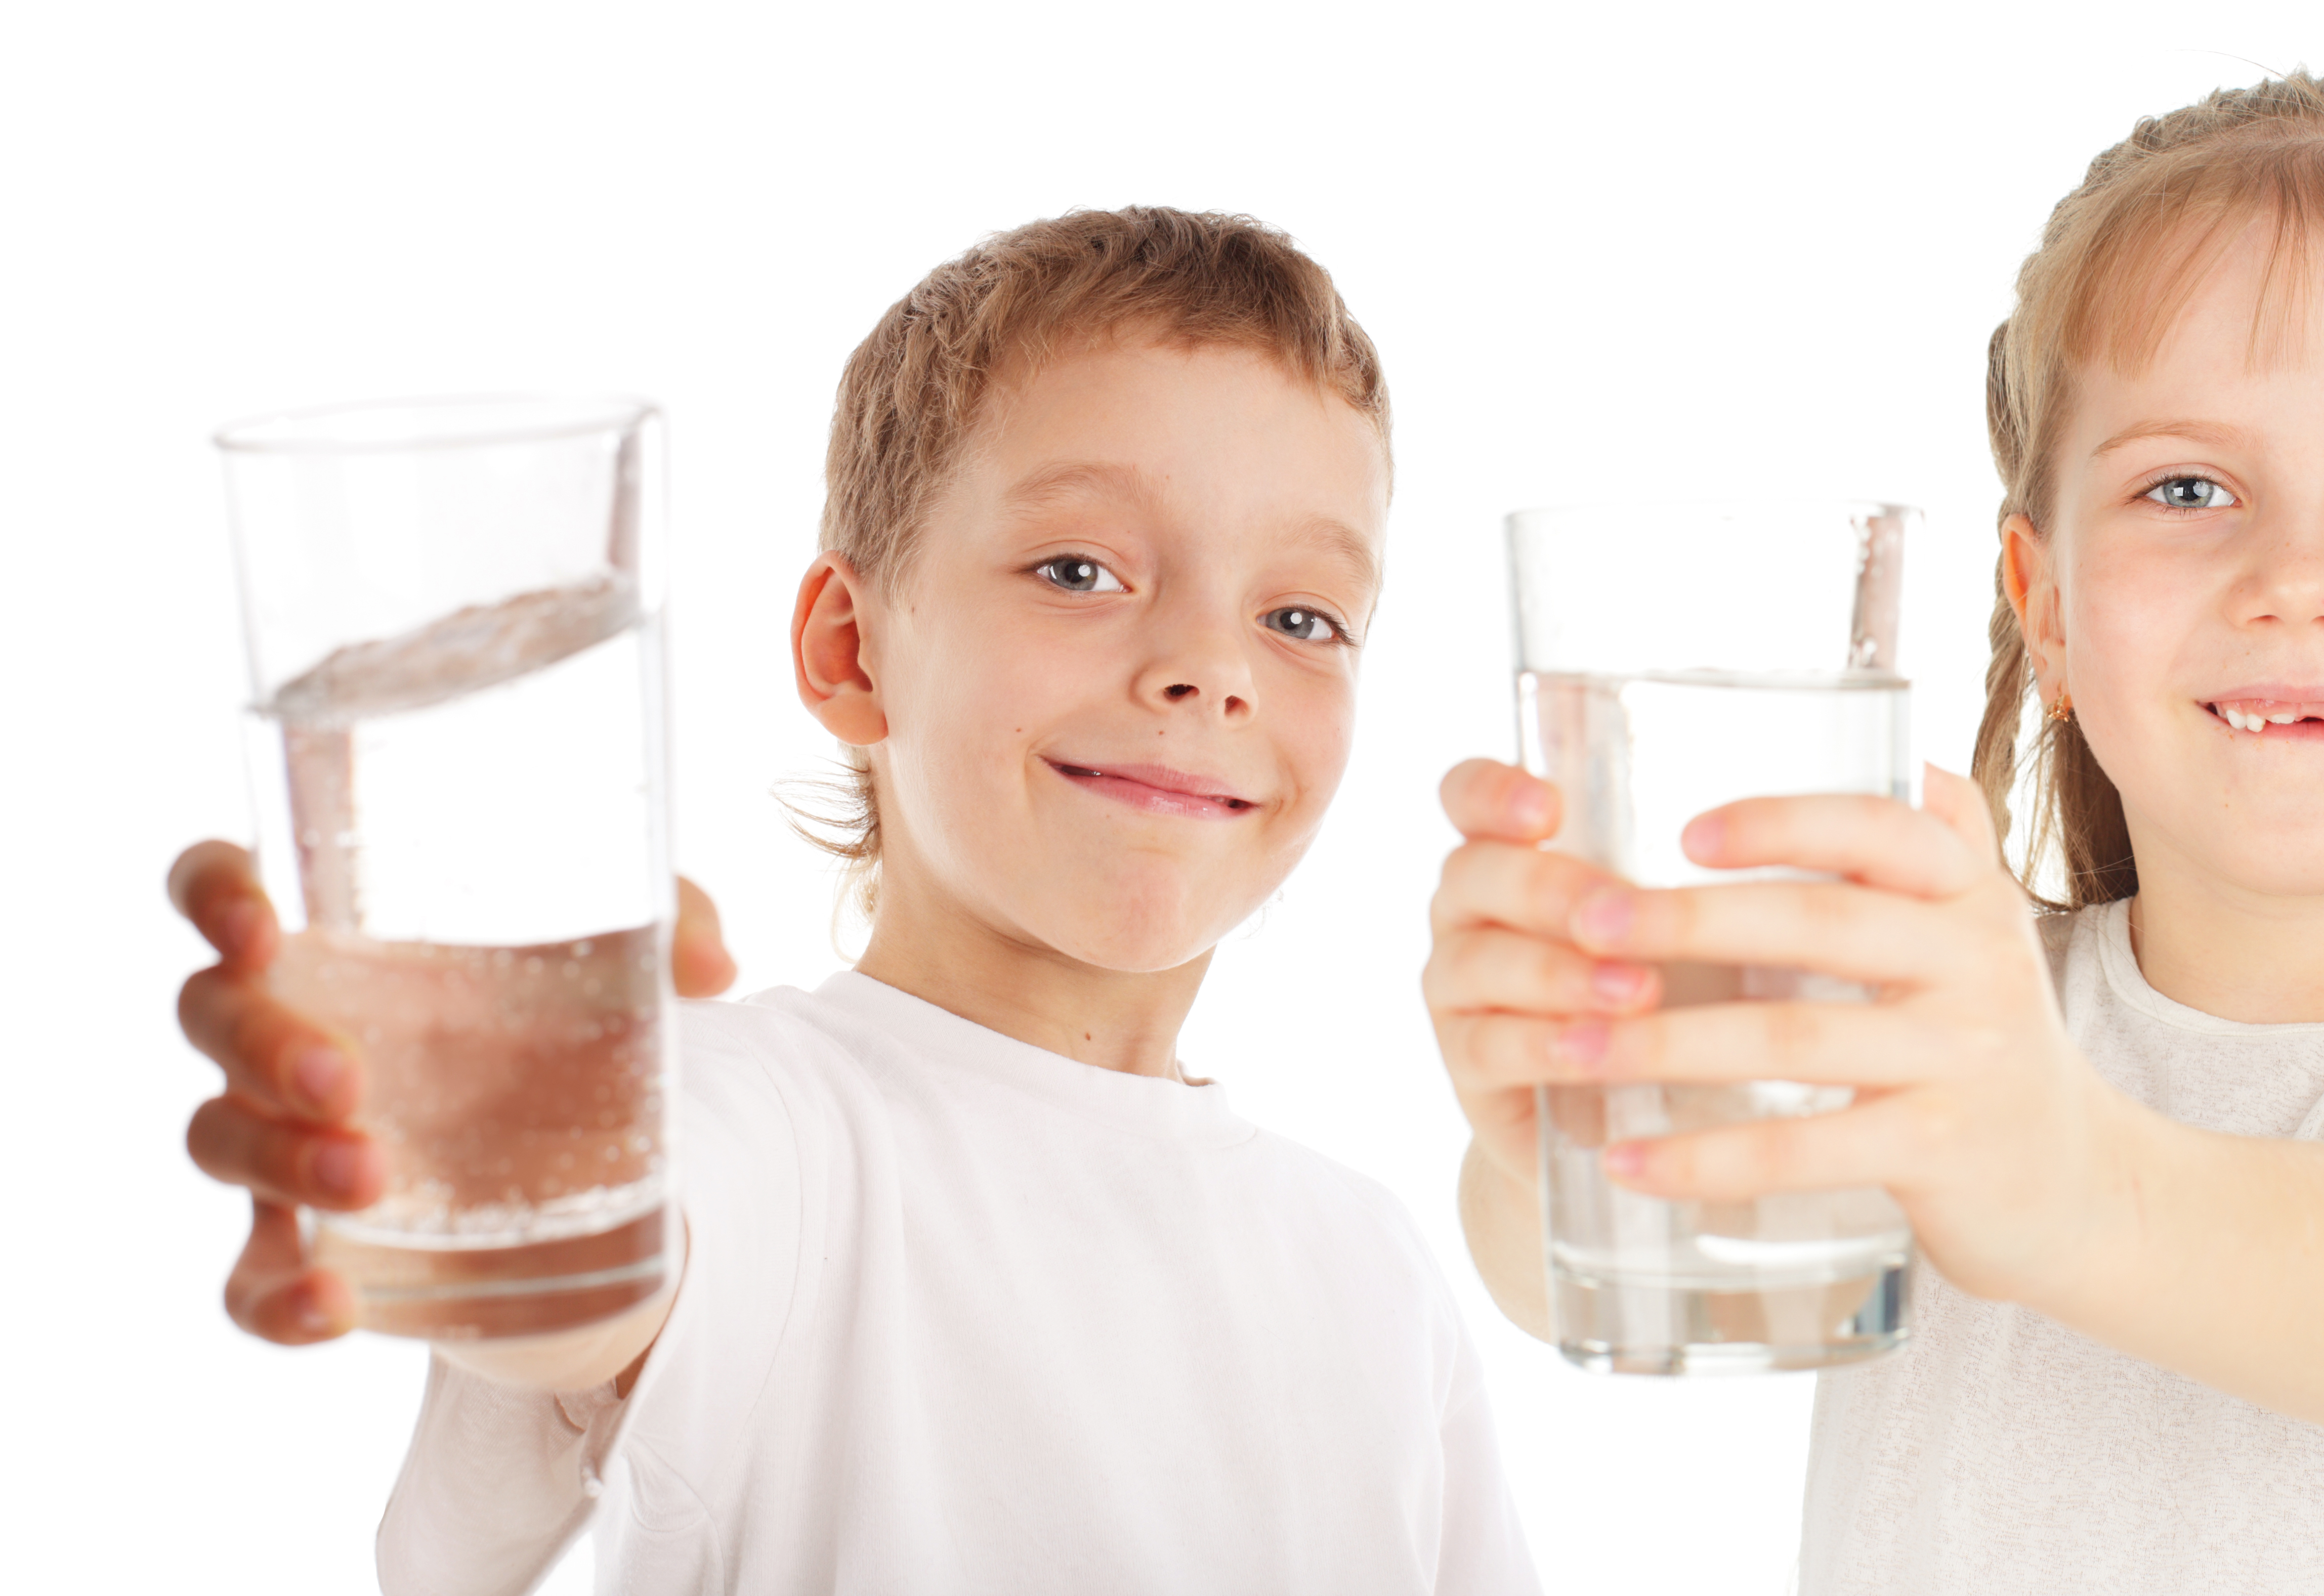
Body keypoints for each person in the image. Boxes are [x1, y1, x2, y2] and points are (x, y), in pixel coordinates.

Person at [1422, 72, 2324, 1595]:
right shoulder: (1954, 1027)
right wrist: (1559, 1138)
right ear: (2046, 605)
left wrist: (2067, 1179)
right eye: (2188, 486)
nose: (2299, 572)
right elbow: (1620, 1281)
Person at [166, 207, 1536, 1595]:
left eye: (1300, 616)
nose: (1209, 666)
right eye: (1080, 570)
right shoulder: (758, 1122)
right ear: (852, 648)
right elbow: (589, 1281)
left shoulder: (1375, 1267)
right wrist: (477, 1128)